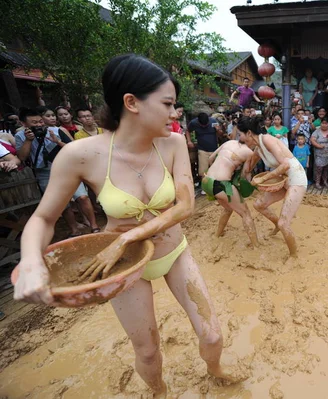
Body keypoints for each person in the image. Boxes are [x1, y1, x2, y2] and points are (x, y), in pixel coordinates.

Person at [13, 55, 245, 397]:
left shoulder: (173, 143)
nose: (175, 113)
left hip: (173, 251)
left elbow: (185, 205)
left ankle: (215, 368)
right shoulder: (80, 154)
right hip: (122, 266)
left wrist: (128, 237)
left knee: (211, 334)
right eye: (167, 104)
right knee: (148, 352)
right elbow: (43, 218)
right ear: (131, 102)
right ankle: (159, 391)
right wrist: (31, 260)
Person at [15, 108, 100, 237]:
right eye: (34, 122)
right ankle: (74, 229)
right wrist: (28, 140)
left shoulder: (55, 131)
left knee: (82, 197)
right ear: (24, 124)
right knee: (61, 203)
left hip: (67, 168)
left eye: (40, 121)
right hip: (43, 172)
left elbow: (74, 148)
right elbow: (22, 158)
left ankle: (94, 226)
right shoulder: (19, 136)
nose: (38, 125)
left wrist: (57, 141)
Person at [238, 116, 308, 258]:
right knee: (259, 204)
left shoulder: (267, 140)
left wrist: (264, 178)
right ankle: (276, 224)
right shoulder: (258, 149)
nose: (240, 138)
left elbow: (286, 165)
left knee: (284, 223)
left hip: (296, 178)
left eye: (241, 134)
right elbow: (247, 168)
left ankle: (294, 256)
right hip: (283, 179)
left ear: (249, 133)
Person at [202, 140, 259, 247]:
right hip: (222, 184)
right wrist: (253, 183)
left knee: (228, 208)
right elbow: (244, 176)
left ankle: (217, 235)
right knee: (245, 213)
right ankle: (256, 246)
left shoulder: (229, 142)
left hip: (206, 181)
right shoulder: (249, 152)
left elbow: (210, 159)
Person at [188, 112, 219, 183]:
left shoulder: (213, 121)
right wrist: (189, 141)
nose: (204, 126)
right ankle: (204, 187)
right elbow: (187, 131)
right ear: (198, 122)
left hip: (214, 150)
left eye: (206, 125)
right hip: (202, 149)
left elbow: (220, 133)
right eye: (202, 125)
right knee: (203, 171)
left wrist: (218, 130)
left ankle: (215, 185)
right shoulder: (193, 123)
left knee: (214, 169)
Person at [310, 118, 328, 188]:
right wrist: (319, 146)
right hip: (319, 154)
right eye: (323, 123)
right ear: (320, 124)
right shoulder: (317, 132)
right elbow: (312, 140)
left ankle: (325, 181)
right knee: (319, 168)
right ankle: (317, 182)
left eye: (326, 123)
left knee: (327, 169)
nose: (324, 125)